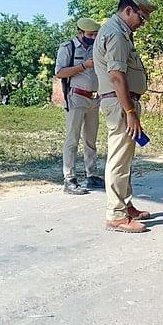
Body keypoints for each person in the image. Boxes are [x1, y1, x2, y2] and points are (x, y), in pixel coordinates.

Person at [93, 0, 155, 233]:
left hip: (123, 102)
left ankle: (125, 205)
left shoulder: (121, 33)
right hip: (120, 103)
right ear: (128, 10)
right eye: (140, 18)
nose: (142, 23)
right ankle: (116, 214)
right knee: (119, 158)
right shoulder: (116, 34)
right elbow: (117, 76)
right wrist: (129, 111)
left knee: (125, 157)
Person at [54, 18, 104, 195]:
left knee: (91, 140)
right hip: (76, 97)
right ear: (80, 32)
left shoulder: (96, 48)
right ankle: (69, 178)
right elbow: (60, 72)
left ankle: (92, 175)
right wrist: (83, 65)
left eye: (95, 35)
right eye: (90, 35)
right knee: (72, 139)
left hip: (94, 99)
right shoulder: (68, 48)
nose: (93, 38)